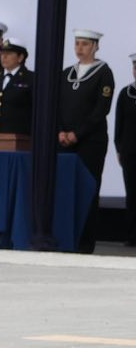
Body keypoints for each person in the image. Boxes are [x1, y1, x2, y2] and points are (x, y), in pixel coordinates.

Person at [59, 30, 115, 252]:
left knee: (87, 189)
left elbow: (101, 110)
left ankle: (84, 243)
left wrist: (78, 133)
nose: (79, 48)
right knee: (65, 188)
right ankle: (65, 237)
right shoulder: (66, 73)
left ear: (95, 46)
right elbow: (57, 105)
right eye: (77, 43)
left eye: (84, 44)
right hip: (64, 140)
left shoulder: (104, 73)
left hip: (90, 142)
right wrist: (60, 131)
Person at [116, 50, 136, 245]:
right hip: (130, 152)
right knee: (132, 194)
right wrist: (119, 149)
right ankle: (131, 236)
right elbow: (119, 125)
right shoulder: (126, 93)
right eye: (135, 67)